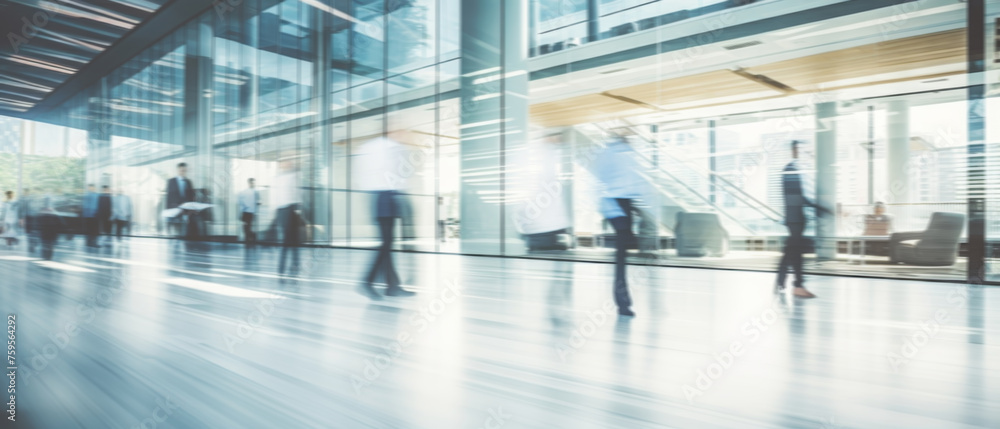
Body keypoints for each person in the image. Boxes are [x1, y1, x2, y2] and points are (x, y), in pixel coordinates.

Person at [356, 129, 416, 299]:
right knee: (386, 244)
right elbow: (396, 175)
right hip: (385, 197)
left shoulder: (378, 147)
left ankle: (392, 286)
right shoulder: (388, 148)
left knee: (387, 243)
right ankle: (367, 281)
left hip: (382, 197)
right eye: (401, 132)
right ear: (393, 131)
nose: (404, 135)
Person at [592, 131, 647, 317]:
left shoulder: (627, 153)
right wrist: (615, 213)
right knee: (621, 258)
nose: (629, 135)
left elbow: (634, 182)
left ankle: (624, 302)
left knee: (624, 255)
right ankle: (622, 304)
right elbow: (598, 184)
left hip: (626, 206)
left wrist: (635, 208)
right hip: (615, 205)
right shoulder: (609, 153)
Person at [775, 140, 830, 299]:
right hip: (795, 219)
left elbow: (799, 197)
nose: (802, 152)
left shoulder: (795, 170)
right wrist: (822, 208)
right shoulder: (790, 170)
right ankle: (797, 286)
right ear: (793, 150)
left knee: (791, 252)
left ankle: (781, 283)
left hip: (796, 218)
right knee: (795, 252)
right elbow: (798, 198)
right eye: (799, 148)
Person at [274, 160, 304, 276]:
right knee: (290, 241)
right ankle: (290, 267)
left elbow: (296, 193)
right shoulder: (290, 176)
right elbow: (297, 193)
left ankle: (286, 267)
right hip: (288, 210)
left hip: (286, 210)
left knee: (289, 241)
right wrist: (298, 210)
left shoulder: (283, 177)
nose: (287, 164)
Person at [166, 162, 196, 239]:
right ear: (178, 170)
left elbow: (191, 197)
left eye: (185, 170)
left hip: (186, 210)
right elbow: (169, 197)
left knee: (184, 230)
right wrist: (168, 210)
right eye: (181, 170)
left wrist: (191, 209)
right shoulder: (171, 181)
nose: (183, 172)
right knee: (176, 229)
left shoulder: (188, 182)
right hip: (175, 208)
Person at [238, 178, 260, 244]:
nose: (253, 184)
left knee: (247, 226)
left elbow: (257, 201)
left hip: (251, 212)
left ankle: (249, 238)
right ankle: (249, 237)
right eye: (251, 183)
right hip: (246, 211)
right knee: (246, 226)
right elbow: (240, 201)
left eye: (253, 183)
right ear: (249, 183)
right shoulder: (245, 192)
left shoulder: (255, 192)